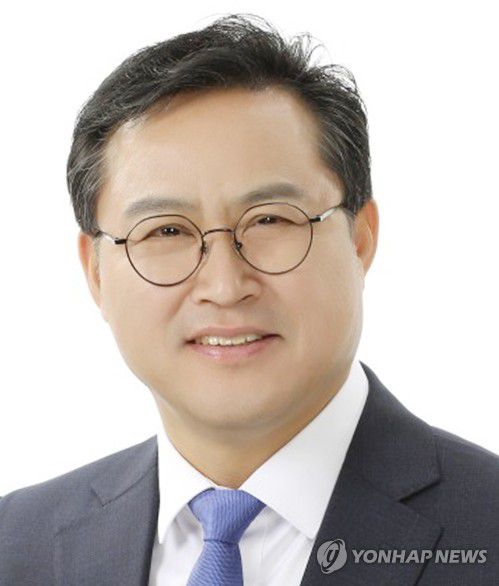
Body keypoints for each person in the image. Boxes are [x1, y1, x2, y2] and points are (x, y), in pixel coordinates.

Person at [1, 13, 497, 586]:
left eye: (269, 220)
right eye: (166, 231)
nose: (224, 285)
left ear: (360, 239)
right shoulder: (18, 544)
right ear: (95, 272)